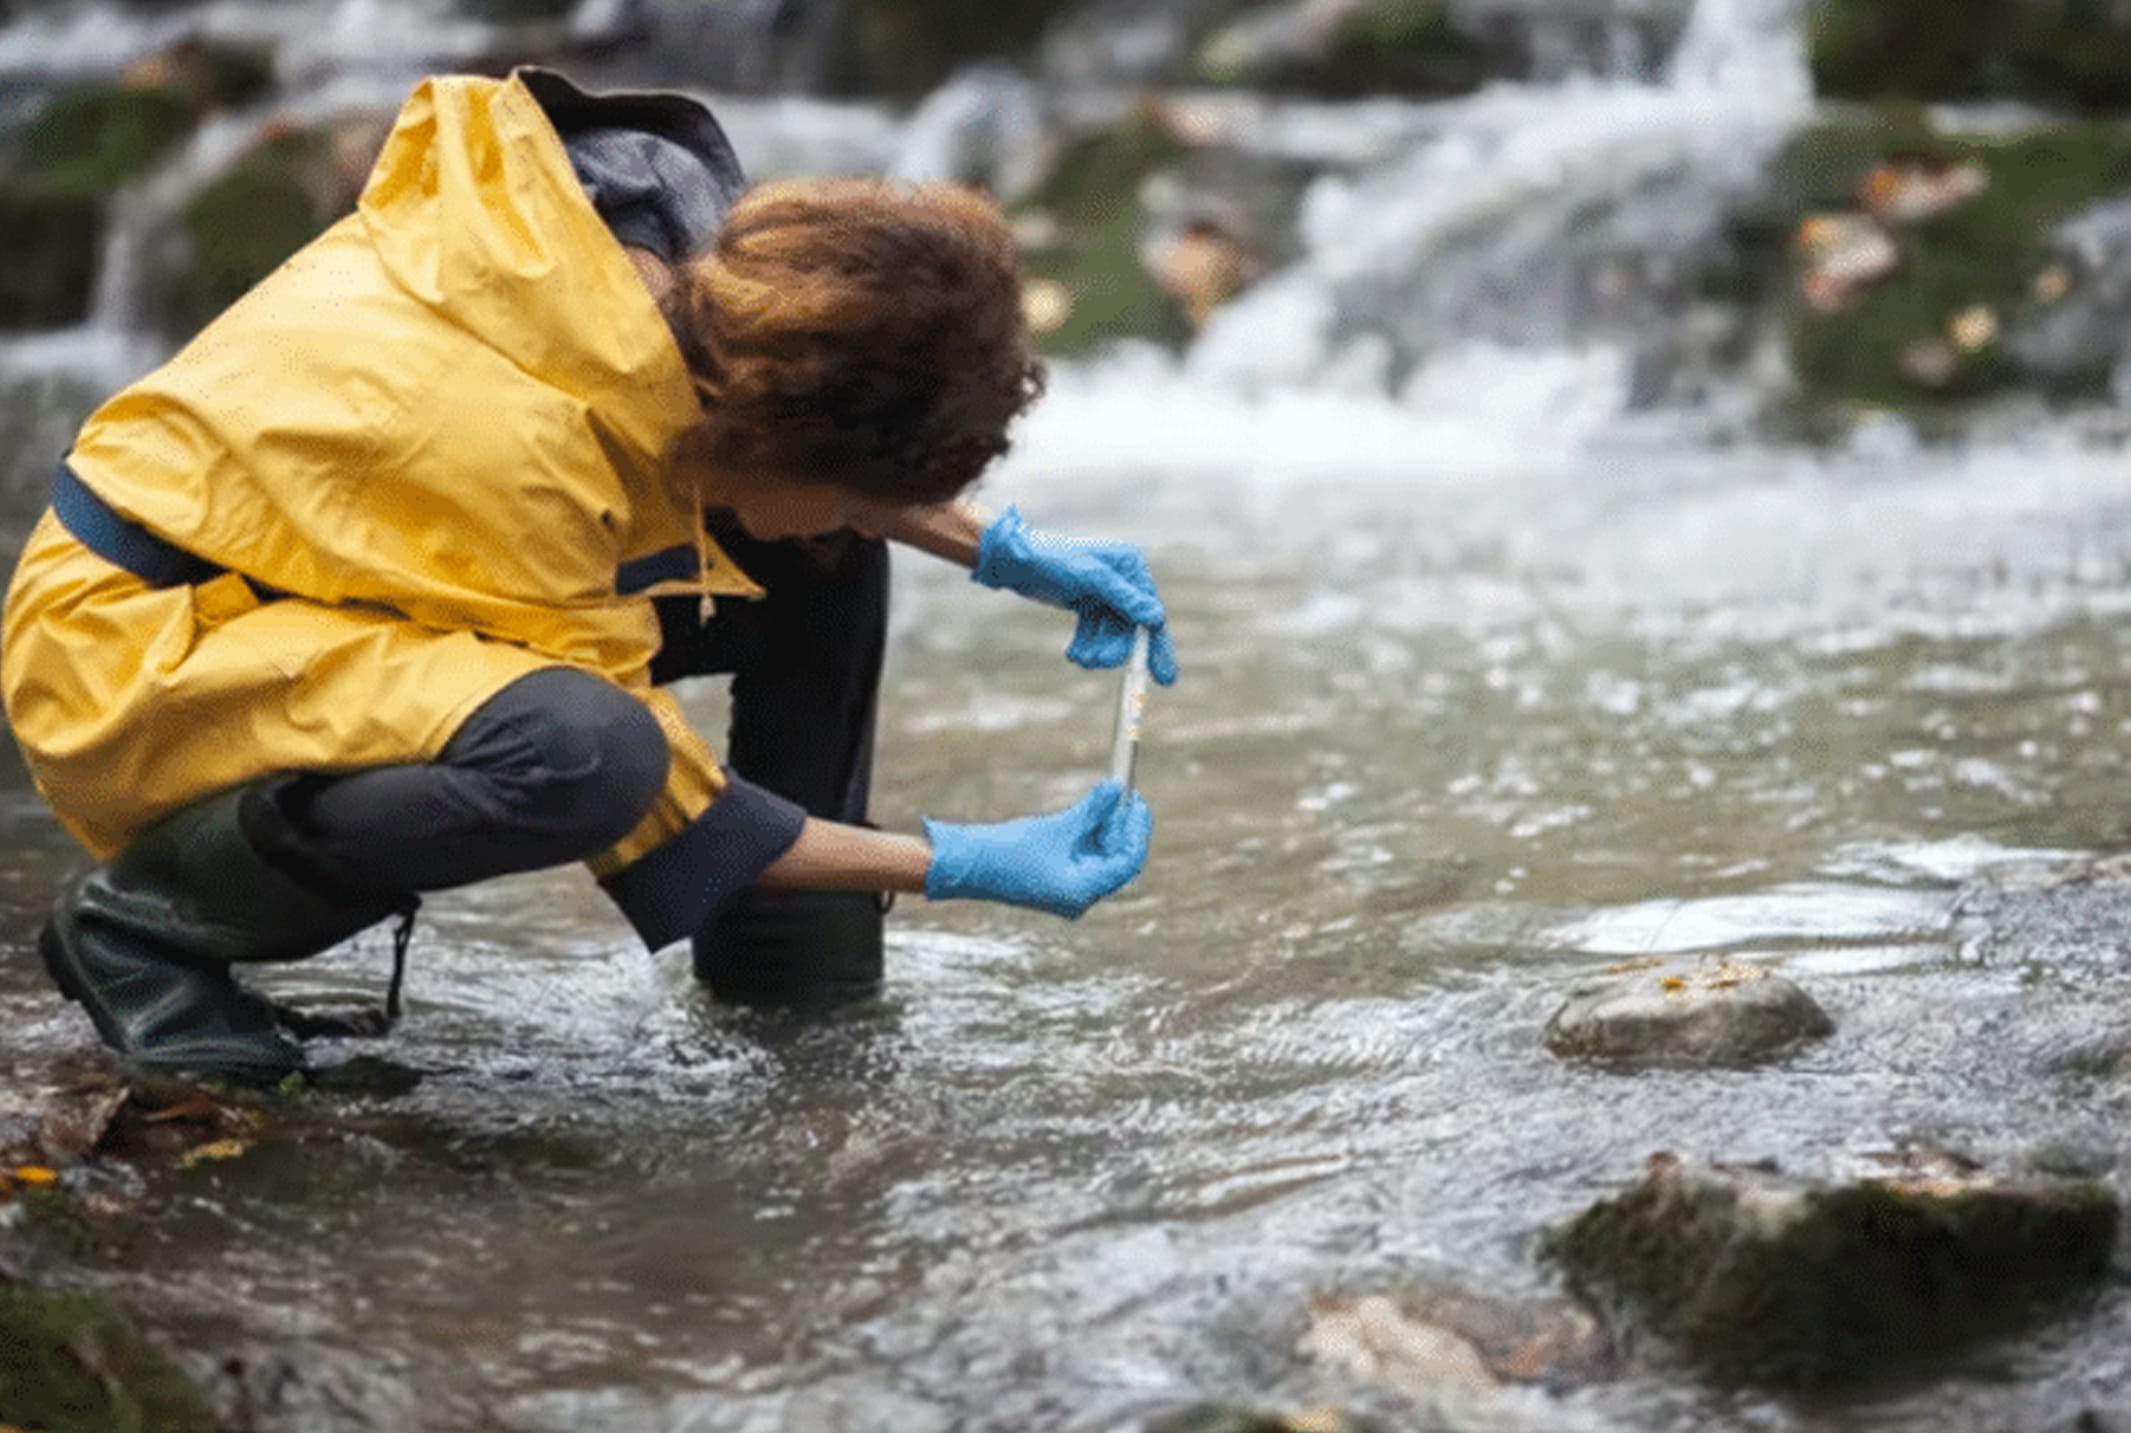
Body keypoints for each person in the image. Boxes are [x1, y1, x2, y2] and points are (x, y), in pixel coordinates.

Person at [0, 66, 1180, 1087]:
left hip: (318, 563)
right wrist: (960, 862)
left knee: (821, 554)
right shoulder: (521, 451)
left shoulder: (688, 267)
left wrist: (1003, 550)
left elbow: (808, 468)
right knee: (583, 754)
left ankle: (791, 974)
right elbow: (669, 803)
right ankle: (146, 931)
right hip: (143, 643)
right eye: (842, 483)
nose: (851, 511)